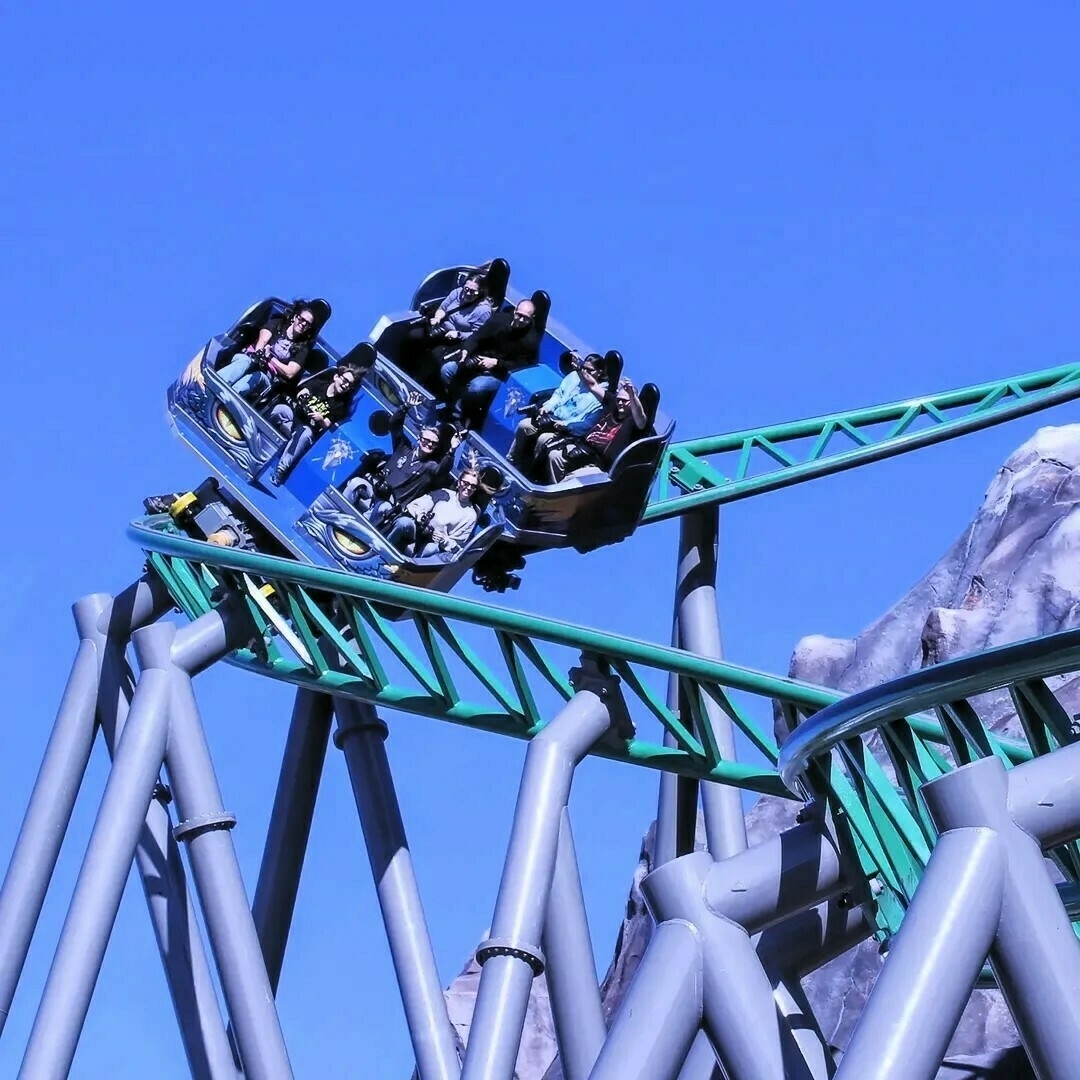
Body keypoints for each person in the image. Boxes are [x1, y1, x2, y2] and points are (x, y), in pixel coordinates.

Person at [342, 391, 459, 521]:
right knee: (355, 483)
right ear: (419, 439)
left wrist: (452, 450)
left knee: (382, 508)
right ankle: (339, 512)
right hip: (376, 490)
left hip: (391, 504)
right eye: (426, 440)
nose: (429, 444)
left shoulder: (430, 466)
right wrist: (406, 406)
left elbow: (442, 470)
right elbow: (394, 424)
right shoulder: (404, 447)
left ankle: (355, 525)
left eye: (433, 443)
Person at [438, 299, 541, 429]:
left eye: (525, 318)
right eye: (519, 315)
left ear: (532, 318)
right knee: (447, 370)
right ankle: (456, 410)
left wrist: (497, 363)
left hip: (499, 375)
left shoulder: (531, 340)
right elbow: (477, 337)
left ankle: (462, 417)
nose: (520, 320)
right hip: (477, 363)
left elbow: (524, 367)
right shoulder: (499, 320)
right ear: (514, 311)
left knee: (476, 387)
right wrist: (466, 350)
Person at [507, 352, 608, 477]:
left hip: (567, 429)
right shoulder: (574, 377)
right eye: (584, 368)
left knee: (543, 439)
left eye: (590, 370)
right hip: (552, 417)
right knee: (524, 425)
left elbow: (586, 421)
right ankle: (512, 462)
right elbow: (558, 395)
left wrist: (565, 425)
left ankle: (531, 474)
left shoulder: (601, 394)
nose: (585, 372)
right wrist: (547, 406)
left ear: (599, 372)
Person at [268, 361, 364, 485]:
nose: (345, 385)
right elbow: (303, 391)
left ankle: (280, 471)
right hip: (293, 418)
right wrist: (303, 396)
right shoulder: (320, 384)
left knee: (304, 434)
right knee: (280, 410)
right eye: (344, 380)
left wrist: (320, 419)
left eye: (349, 385)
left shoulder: (341, 405)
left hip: (307, 427)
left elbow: (327, 424)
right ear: (336, 377)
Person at [543, 377, 648, 483]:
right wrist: (582, 369)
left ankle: (559, 496)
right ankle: (551, 488)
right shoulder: (612, 404)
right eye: (619, 399)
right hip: (583, 448)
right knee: (554, 456)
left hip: (601, 465)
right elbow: (593, 386)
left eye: (625, 401)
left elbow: (640, 417)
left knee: (573, 479)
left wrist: (632, 394)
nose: (620, 403)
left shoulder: (633, 422)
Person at [400, 273, 493, 384]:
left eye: (473, 292)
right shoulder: (457, 293)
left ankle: (419, 382)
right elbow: (443, 308)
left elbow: (477, 335)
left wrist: (458, 334)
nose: (467, 293)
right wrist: (437, 318)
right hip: (442, 328)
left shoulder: (483, 311)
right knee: (414, 336)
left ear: (480, 292)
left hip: (458, 340)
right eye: (466, 289)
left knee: (434, 356)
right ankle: (404, 367)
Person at [216, 305, 320, 400]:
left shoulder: (302, 347)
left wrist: (270, 358)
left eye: (307, 323)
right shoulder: (279, 323)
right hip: (251, 358)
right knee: (245, 362)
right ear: (295, 318)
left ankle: (228, 397)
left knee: (256, 377)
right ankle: (215, 383)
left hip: (268, 375)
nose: (303, 324)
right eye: (301, 319)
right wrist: (260, 352)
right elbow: (262, 341)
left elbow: (290, 372)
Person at [384, 469, 481, 559]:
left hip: (435, 543)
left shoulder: (470, 515)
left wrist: (444, 539)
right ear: (459, 482)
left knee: (431, 548)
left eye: (473, 486)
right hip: (420, 530)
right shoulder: (444, 494)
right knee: (403, 522)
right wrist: (420, 515)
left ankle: (408, 569)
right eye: (466, 483)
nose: (468, 488)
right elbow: (416, 505)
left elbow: (457, 547)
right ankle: (383, 551)